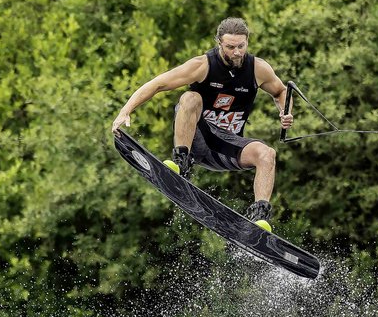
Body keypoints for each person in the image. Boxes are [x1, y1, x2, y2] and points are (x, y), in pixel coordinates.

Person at [110, 17, 293, 231]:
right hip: (197, 138)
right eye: (230, 47)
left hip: (225, 147)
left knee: (267, 153)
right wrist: (126, 111)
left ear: (247, 42)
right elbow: (158, 84)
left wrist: (285, 111)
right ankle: (180, 162)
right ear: (219, 43)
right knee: (190, 98)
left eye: (241, 46)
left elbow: (281, 91)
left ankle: (259, 219)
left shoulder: (258, 69)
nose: (236, 52)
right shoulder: (202, 66)